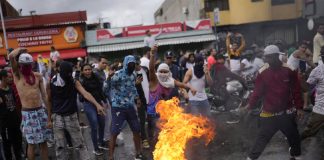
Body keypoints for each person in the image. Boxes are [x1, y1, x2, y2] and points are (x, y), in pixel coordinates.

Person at [241, 45, 304, 160]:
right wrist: (250, 104)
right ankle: (250, 158)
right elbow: (257, 92)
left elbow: (296, 90)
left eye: (269, 57)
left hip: (286, 113)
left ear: (276, 56)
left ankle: (296, 156)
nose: (267, 60)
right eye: (266, 58)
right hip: (269, 114)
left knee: (294, 137)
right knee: (262, 139)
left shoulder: (289, 69)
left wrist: (299, 108)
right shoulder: (262, 72)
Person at [47, 61, 105, 160]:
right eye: (67, 74)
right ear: (60, 71)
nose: (68, 76)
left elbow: (86, 93)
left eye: (70, 73)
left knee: (80, 144)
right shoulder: (51, 83)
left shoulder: (74, 81)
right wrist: (49, 119)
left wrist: (97, 105)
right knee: (60, 146)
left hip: (71, 117)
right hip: (57, 118)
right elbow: (49, 100)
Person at [147, 46, 196, 144]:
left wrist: (190, 88)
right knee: (157, 135)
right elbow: (151, 68)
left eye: (165, 72)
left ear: (169, 72)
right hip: (154, 113)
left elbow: (180, 83)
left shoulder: (170, 80)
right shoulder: (154, 79)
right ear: (158, 72)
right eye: (161, 71)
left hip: (165, 111)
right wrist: (152, 54)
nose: (163, 73)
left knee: (168, 132)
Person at [9, 48, 51, 160]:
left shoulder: (38, 76)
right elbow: (11, 57)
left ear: (32, 64)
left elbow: (45, 97)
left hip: (40, 111)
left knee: (43, 142)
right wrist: (20, 49)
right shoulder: (17, 76)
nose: (27, 67)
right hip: (28, 114)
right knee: (31, 144)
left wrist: (49, 117)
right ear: (20, 65)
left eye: (29, 65)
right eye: (25, 65)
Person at [108, 55, 144, 160]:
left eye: (133, 64)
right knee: (114, 132)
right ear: (125, 64)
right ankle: (110, 156)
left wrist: (137, 98)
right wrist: (109, 78)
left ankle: (138, 153)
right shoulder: (117, 75)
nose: (132, 66)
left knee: (136, 129)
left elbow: (133, 88)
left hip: (130, 106)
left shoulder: (133, 75)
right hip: (118, 107)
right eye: (130, 64)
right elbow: (106, 88)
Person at [79, 64, 108, 155]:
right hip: (88, 105)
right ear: (83, 71)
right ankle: (95, 148)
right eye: (85, 70)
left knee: (102, 123)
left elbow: (100, 90)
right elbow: (81, 96)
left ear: (91, 70)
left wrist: (104, 101)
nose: (87, 71)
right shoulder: (81, 81)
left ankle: (101, 142)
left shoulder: (96, 78)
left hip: (99, 103)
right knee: (94, 125)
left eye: (89, 69)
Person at [301, 46, 324, 140]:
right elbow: (306, 86)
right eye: (322, 55)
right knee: (308, 132)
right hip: (321, 109)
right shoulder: (317, 71)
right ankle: (295, 147)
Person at [0, 70, 22, 160]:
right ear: (3, 78)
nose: (11, 79)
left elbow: (15, 104)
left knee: (18, 146)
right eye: (9, 77)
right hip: (5, 125)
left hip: (15, 122)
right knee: (7, 147)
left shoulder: (11, 89)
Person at [287, 41, 315, 110]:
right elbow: (309, 62)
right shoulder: (298, 52)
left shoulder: (300, 54)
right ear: (298, 47)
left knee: (300, 89)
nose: (304, 49)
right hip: (290, 72)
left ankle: (304, 104)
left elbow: (304, 67)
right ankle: (305, 106)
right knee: (305, 90)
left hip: (292, 73)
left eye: (305, 48)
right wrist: (318, 68)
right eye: (302, 47)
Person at [135, 56, 150, 149]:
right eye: (134, 64)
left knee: (151, 119)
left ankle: (151, 136)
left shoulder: (145, 70)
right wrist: (137, 99)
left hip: (149, 99)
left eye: (137, 63)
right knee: (141, 120)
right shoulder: (131, 73)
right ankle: (144, 139)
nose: (136, 65)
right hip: (139, 100)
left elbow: (150, 81)